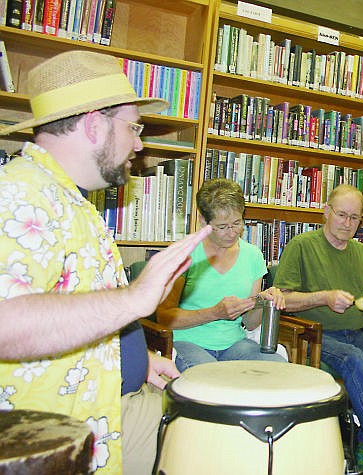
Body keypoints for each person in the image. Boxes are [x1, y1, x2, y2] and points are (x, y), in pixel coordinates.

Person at [0, 50, 212, 474]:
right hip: (54, 444)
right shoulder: (21, 194)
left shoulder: (72, 200)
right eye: (133, 127)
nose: (139, 143)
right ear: (94, 124)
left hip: (102, 412)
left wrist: (135, 359)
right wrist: (134, 298)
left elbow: (71, 307)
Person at [273, 184, 363, 475]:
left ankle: (351, 422)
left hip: (355, 333)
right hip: (315, 335)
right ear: (326, 212)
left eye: (355, 218)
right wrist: (323, 297)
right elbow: (282, 300)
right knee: (354, 359)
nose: (347, 223)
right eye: (342, 215)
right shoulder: (302, 246)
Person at [156, 178, 286, 371]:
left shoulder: (253, 256)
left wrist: (264, 302)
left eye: (237, 223)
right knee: (211, 378)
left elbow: (249, 323)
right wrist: (214, 313)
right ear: (202, 220)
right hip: (187, 342)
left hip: (234, 344)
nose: (232, 233)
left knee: (277, 367)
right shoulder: (184, 254)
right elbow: (165, 317)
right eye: (223, 227)